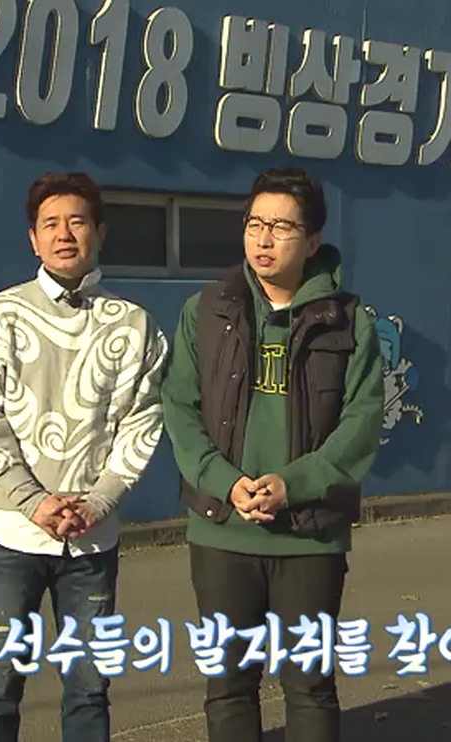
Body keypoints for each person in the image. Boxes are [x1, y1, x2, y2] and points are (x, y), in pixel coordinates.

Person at [160, 167, 386, 742]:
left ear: (312, 241)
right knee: (229, 685)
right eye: (254, 224)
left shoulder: (349, 321)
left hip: (309, 534)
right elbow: (180, 408)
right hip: (222, 531)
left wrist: (295, 484)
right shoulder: (205, 310)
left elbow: (361, 423)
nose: (264, 239)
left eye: (281, 227)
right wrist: (224, 481)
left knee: (309, 686)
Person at [0, 171, 168, 742]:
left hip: (92, 539)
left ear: (99, 232)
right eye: (50, 224)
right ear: (33, 239)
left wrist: (99, 502)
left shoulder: (135, 325)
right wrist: (32, 501)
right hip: (11, 533)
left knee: (89, 687)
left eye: (77, 221)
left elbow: (143, 421)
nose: (64, 234)